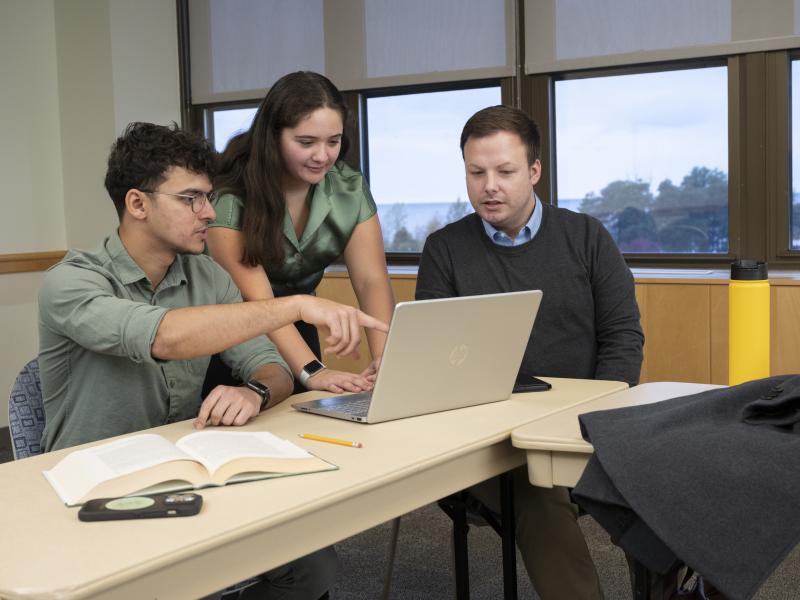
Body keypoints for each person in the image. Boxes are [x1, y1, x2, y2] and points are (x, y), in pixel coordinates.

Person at [38, 122, 387, 600]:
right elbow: (166, 337)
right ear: (138, 203)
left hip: (182, 479)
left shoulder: (208, 276)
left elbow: (273, 367)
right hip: (93, 491)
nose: (209, 212)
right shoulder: (71, 283)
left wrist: (255, 390)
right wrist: (294, 305)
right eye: (191, 199)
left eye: (209, 197)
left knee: (311, 564)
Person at [416, 105, 644, 600]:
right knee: (536, 486)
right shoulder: (444, 249)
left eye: (505, 171)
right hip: (490, 441)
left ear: (535, 171)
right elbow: (435, 360)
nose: (489, 186)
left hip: (586, 425)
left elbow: (623, 337)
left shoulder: (586, 237)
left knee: (662, 467)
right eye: (476, 173)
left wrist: (595, 420)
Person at [208, 71, 394, 395]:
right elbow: (259, 300)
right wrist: (312, 371)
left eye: (333, 142)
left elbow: (371, 280)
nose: (322, 156)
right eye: (306, 142)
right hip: (233, 338)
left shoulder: (348, 188)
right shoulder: (230, 201)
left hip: (299, 331)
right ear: (273, 137)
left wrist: (387, 360)